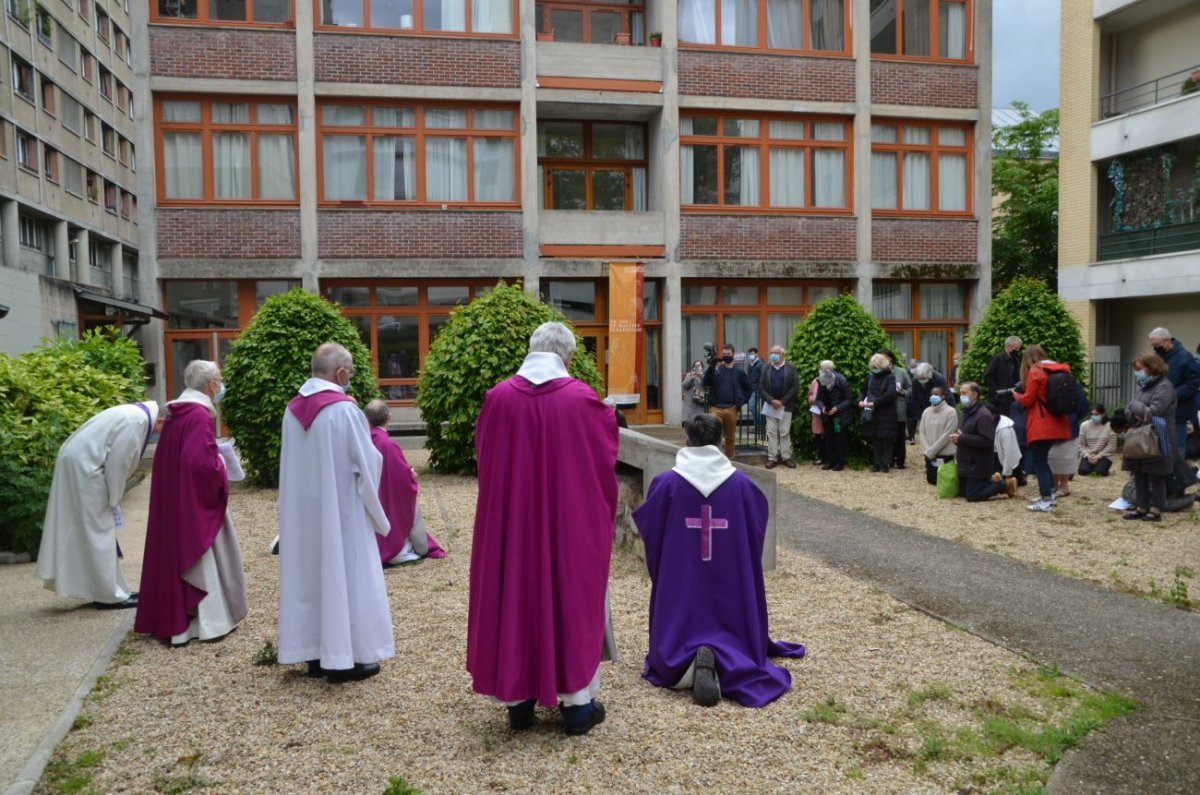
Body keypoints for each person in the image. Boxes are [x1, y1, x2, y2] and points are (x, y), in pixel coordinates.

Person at [467, 322, 619, 736]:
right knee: (569, 595)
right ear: (567, 357)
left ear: (532, 350)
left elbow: (486, 461)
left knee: (514, 594)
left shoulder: (497, 399)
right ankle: (576, 706)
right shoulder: (582, 400)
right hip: (567, 527)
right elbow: (604, 462)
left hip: (511, 527)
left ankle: (518, 704)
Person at [632, 414, 805, 708]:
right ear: (722, 443)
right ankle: (724, 656)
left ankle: (687, 664)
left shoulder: (666, 485)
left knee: (672, 648)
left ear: (687, 442)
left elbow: (652, 534)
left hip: (681, 582)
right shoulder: (742, 486)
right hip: (729, 582)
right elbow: (755, 531)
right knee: (735, 630)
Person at [278, 343, 393, 684]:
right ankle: (343, 658)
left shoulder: (291, 410)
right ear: (341, 373)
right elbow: (368, 461)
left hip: (302, 516)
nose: (350, 379)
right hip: (341, 512)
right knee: (345, 577)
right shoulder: (343, 411)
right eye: (351, 373)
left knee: (309, 577)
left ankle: (312, 653)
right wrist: (378, 513)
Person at [134, 361, 247, 645]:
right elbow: (200, 466)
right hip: (192, 504)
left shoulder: (176, 412)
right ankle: (207, 621)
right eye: (219, 380)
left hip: (176, 498)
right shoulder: (198, 415)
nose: (221, 385)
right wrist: (221, 462)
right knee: (202, 554)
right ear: (210, 385)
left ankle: (177, 619)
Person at [36, 401, 163, 608]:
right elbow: (118, 463)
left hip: (81, 463)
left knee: (87, 530)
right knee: (98, 529)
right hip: (87, 468)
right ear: (161, 420)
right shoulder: (136, 421)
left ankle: (104, 590)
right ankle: (109, 595)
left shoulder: (136, 413)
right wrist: (114, 501)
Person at [363, 400, 444, 566]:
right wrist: (411, 476)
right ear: (389, 418)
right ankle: (397, 549)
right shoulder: (388, 444)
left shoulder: (363, 440)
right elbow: (402, 479)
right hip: (387, 496)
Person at [1014, 345, 1073, 513]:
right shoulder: (1059, 370)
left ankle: (1046, 499)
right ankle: (1049, 494)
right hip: (1058, 421)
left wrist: (1017, 396)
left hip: (1041, 423)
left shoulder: (1035, 372)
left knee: (1040, 461)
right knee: (1044, 460)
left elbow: (1028, 400)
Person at [1122, 354, 1177, 522]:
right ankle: (1141, 506)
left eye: (1139, 369)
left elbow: (1153, 411)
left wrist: (1134, 407)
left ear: (1151, 367)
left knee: (1156, 474)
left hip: (1158, 436)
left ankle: (1156, 508)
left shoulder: (1164, 386)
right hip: (1140, 435)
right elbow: (1131, 411)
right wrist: (1135, 410)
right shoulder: (1144, 386)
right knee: (1139, 472)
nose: (1137, 373)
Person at [1149, 327, 1200, 487]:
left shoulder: (1184, 357)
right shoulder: (1158, 357)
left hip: (1179, 412)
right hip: (1159, 411)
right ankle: (1163, 484)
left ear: (1166, 341)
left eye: (1156, 344)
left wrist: (1172, 394)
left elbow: (1194, 382)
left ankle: (1177, 485)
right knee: (1161, 449)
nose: (1154, 347)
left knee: (1177, 450)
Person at [950, 383, 1016, 502]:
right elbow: (963, 435)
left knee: (972, 496)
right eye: (961, 393)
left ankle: (1004, 485)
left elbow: (987, 440)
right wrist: (957, 439)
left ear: (975, 395)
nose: (961, 396)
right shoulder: (965, 413)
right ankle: (993, 481)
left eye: (964, 393)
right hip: (965, 463)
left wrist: (962, 438)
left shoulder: (983, 415)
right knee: (963, 493)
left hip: (977, 465)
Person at [702, 344, 751, 460]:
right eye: (724, 354)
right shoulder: (717, 370)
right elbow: (705, 382)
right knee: (713, 433)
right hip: (716, 408)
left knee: (730, 437)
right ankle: (714, 458)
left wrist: (741, 401)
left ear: (733, 355)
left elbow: (749, 388)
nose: (726, 356)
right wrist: (711, 366)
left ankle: (730, 459)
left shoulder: (739, 373)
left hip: (731, 408)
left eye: (728, 354)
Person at [758, 345, 797, 469]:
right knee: (771, 432)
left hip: (786, 406)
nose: (772, 355)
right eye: (771, 353)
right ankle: (772, 458)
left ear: (782, 354)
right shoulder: (766, 367)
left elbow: (794, 387)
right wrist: (771, 400)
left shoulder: (791, 367)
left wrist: (782, 401)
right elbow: (761, 386)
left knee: (785, 432)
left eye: (775, 353)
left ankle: (786, 457)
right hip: (770, 406)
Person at [1048, 380, 1090, 498]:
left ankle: (1055, 485)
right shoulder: (1074, 383)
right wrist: (1074, 417)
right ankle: (1063, 485)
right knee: (1066, 455)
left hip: (1050, 424)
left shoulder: (1047, 383)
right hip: (1069, 423)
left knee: (1052, 455)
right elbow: (1083, 406)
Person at [859, 353, 898, 473]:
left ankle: (886, 463)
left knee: (886, 439)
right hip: (871, 412)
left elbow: (891, 394)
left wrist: (875, 402)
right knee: (875, 438)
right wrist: (860, 400)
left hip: (886, 412)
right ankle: (876, 463)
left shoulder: (890, 377)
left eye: (877, 367)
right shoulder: (870, 376)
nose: (875, 369)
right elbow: (864, 391)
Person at [816, 360, 854, 471]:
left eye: (825, 369)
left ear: (830, 369)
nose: (823, 371)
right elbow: (818, 399)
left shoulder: (842, 380)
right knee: (828, 438)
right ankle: (829, 462)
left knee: (840, 439)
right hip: (827, 415)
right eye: (822, 369)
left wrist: (838, 408)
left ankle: (839, 463)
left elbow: (849, 399)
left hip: (840, 415)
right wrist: (822, 407)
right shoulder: (821, 380)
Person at [918, 387, 957, 486]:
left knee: (944, 483)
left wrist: (932, 451)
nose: (934, 396)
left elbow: (947, 434)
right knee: (931, 480)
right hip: (929, 454)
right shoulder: (926, 411)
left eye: (937, 394)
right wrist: (927, 450)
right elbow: (921, 432)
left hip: (944, 454)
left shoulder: (951, 412)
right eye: (932, 394)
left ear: (943, 395)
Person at [883, 350, 910, 469]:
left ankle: (900, 460)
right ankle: (889, 459)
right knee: (888, 435)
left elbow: (910, 388)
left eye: (886, 357)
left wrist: (903, 392)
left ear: (891, 358)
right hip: (885, 408)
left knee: (899, 435)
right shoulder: (880, 372)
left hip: (899, 407)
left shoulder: (901, 371)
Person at [983, 336, 1022, 417]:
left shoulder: (1016, 360)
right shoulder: (997, 358)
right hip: (999, 400)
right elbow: (988, 376)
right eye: (1016, 348)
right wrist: (997, 390)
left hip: (1011, 398)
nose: (1018, 350)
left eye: (1019, 348)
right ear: (1008, 347)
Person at [1078, 404, 1117, 477]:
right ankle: (1093, 466)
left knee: (1100, 472)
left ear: (1103, 414)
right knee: (1083, 471)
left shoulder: (1110, 425)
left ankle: (1099, 467)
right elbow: (1081, 445)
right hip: (1088, 455)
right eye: (1091, 414)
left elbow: (1112, 446)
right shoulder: (1084, 425)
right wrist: (1087, 455)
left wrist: (1099, 456)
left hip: (1104, 456)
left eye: (1096, 414)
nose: (1093, 416)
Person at [745, 347, 766, 433]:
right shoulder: (750, 364)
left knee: (752, 407)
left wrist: (759, 386)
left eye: (752, 353)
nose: (751, 355)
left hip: (757, 389)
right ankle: (759, 426)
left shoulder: (760, 364)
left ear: (756, 354)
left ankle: (760, 425)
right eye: (750, 354)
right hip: (751, 389)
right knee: (753, 407)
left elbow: (763, 376)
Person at [806, 376, 825, 465]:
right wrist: (811, 400)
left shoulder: (831, 380)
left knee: (828, 435)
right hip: (816, 412)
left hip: (827, 412)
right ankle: (820, 457)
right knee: (818, 435)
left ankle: (828, 457)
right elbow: (809, 394)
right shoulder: (815, 381)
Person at [680, 360, 707, 425]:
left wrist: (702, 376)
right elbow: (684, 386)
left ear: (702, 368)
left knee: (699, 423)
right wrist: (692, 378)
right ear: (693, 367)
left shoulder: (704, 376)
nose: (698, 367)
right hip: (689, 404)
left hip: (700, 403)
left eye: (699, 366)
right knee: (689, 423)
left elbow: (707, 386)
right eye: (696, 366)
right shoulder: (689, 375)